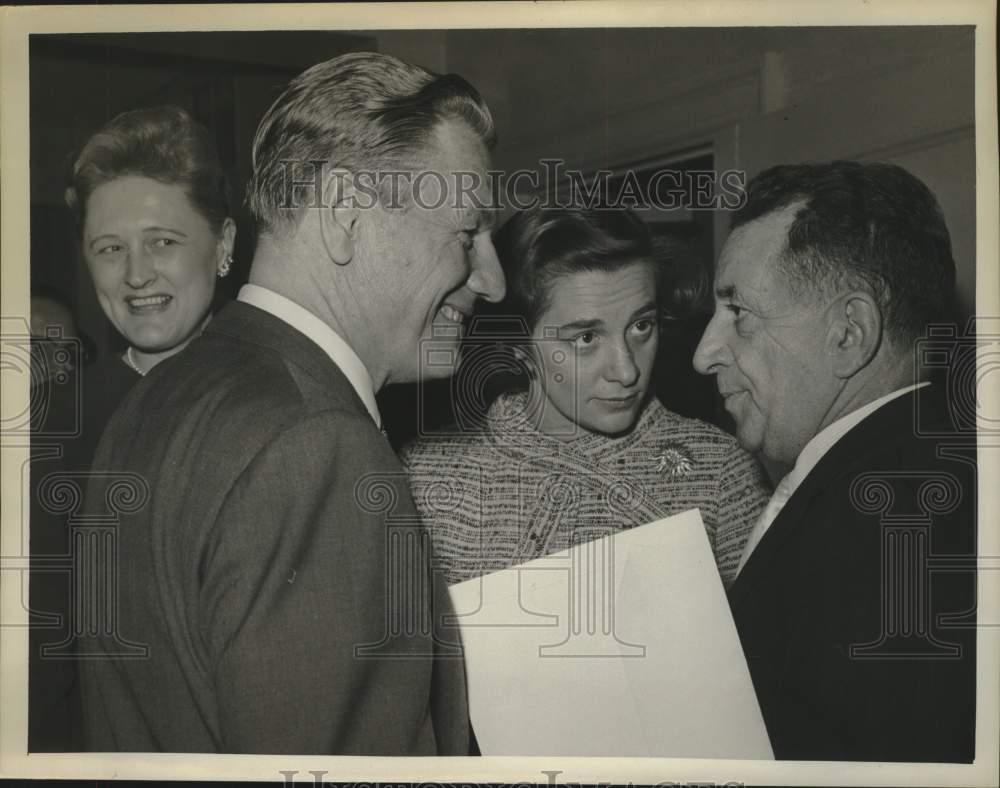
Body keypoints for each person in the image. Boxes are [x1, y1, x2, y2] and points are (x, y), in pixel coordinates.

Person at [79, 52, 504, 755]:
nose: (491, 278)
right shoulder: (317, 447)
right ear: (343, 213)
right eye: (466, 233)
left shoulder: (159, 396)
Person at [693, 161, 976, 762]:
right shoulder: (937, 479)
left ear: (849, 333)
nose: (704, 353)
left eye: (738, 312)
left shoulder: (883, 530)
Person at [402, 207, 771, 588]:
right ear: (519, 346)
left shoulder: (721, 472)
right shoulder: (425, 478)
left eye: (642, 326)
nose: (626, 371)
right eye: (586, 338)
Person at [64, 105, 236, 470]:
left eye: (163, 242)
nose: (137, 275)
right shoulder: (51, 419)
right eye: (111, 249)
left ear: (224, 244)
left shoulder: (281, 396)